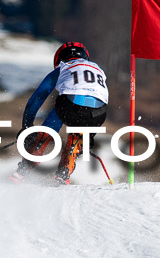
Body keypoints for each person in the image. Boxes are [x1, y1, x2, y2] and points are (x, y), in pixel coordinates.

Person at [10, 42, 108, 185]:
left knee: (61, 105)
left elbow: (38, 97)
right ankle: (64, 173)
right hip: (99, 114)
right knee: (80, 128)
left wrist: (27, 126)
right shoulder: (99, 69)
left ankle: (22, 171)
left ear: (60, 59)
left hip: (71, 107)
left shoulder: (64, 67)